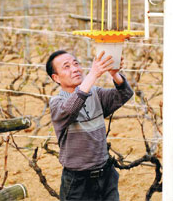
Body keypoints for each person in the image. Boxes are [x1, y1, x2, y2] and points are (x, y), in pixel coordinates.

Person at [47, 50, 133, 201]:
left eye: (76, 63)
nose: (75, 69)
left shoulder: (96, 94)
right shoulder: (57, 103)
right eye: (66, 67)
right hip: (78, 182)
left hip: (106, 175)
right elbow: (71, 108)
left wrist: (114, 74)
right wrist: (92, 75)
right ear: (56, 78)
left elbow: (124, 93)